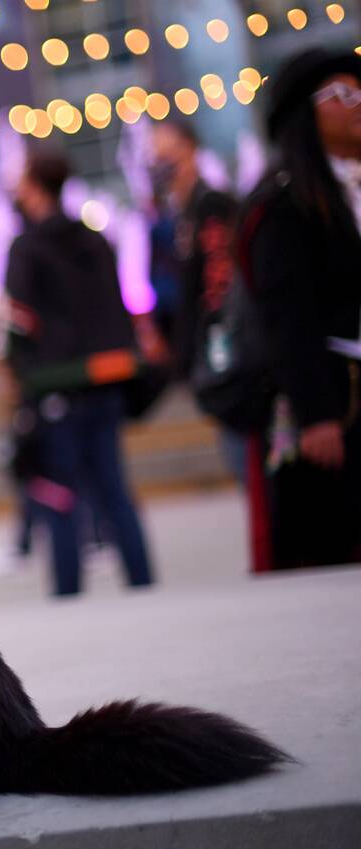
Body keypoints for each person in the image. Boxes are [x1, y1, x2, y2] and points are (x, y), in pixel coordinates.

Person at [2, 152, 154, 597]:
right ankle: (142, 582)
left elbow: (17, 320)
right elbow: (119, 304)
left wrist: (19, 375)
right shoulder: (94, 238)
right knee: (114, 489)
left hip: (55, 387)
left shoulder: (26, 246)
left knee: (58, 494)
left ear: (32, 186)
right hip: (105, 380)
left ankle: (69, 593)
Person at [239, 49, 361, 570]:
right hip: (337, 398)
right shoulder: (284, 202)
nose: (358, 106)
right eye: (344, 95)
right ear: (303, 111)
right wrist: (316, 415)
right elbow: (287, 318)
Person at [148, 120, 251, 480]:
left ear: (189, 150)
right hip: (210, 355)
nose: (159, 162)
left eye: (166, 152)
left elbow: (218, 288)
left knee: (245, 459)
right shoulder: (180, 215)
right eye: (154, 155)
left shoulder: (210, 206)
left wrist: (213, 350)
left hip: (230, 359)